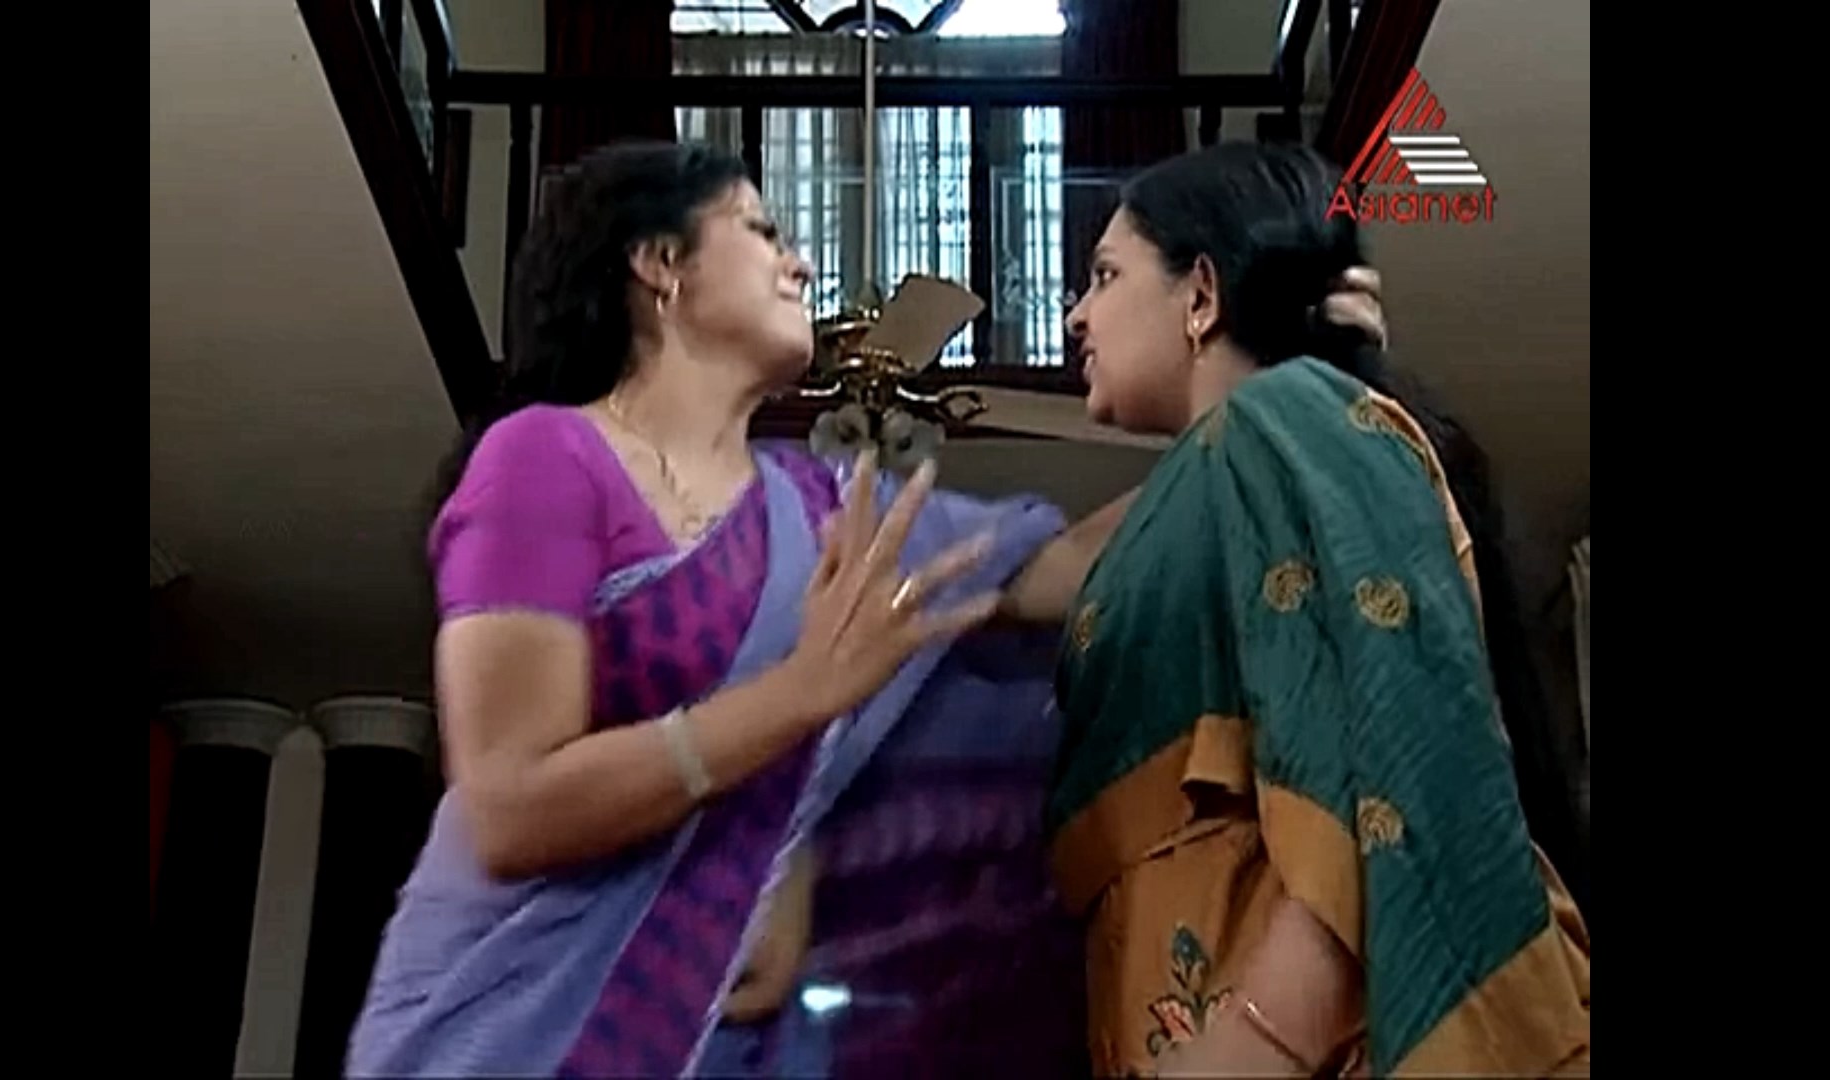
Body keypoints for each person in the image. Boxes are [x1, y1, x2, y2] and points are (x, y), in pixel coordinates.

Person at [345, 139, 1387, 1078]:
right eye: (762, 231)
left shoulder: (823, 506)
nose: (800, 264)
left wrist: (1278, 390)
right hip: (507, 1028)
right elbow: (510, 808)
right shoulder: (545, 458)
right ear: (659, 264)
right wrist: (800, 698)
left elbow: (1064, 570)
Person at [1048, 140, 1590, 1078]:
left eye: (1105, 275)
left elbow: (1391, 747)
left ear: (1201, 296)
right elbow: (1027, 573)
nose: (1076, 315)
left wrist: (1259, 1041)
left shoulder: (1289, 416)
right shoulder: (1209, 478)